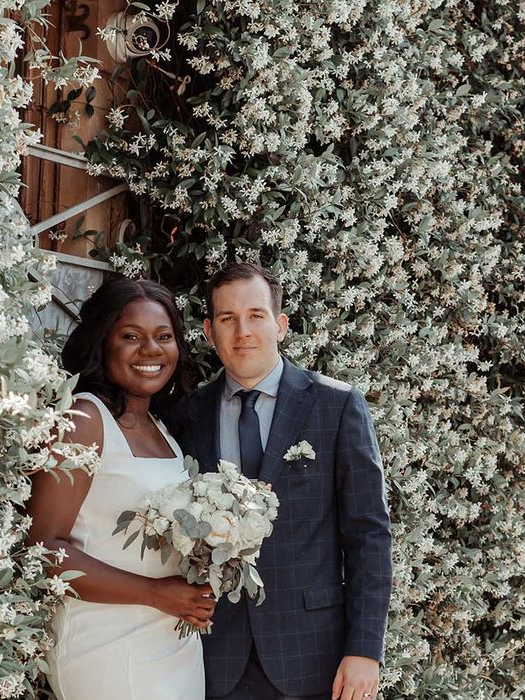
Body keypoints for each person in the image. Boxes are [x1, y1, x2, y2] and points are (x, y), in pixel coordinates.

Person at [165, 263, 392, 700]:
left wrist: (365, 650)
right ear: (210, 333)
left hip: (313, 656)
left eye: (256, 315)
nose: (242, 331)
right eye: (228, 319)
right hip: (214, 655)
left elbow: (369, 533)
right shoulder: (186, 415)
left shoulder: (336, 406)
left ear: (281, 325)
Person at [26, 278, 216, 700]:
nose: (151, 350)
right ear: (102, 342)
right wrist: (156, 593)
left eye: (163, 337)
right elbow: (43, 547)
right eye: (131, 336)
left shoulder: (163, 429)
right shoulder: (82, 420)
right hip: (105, 643)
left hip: (173, 640)